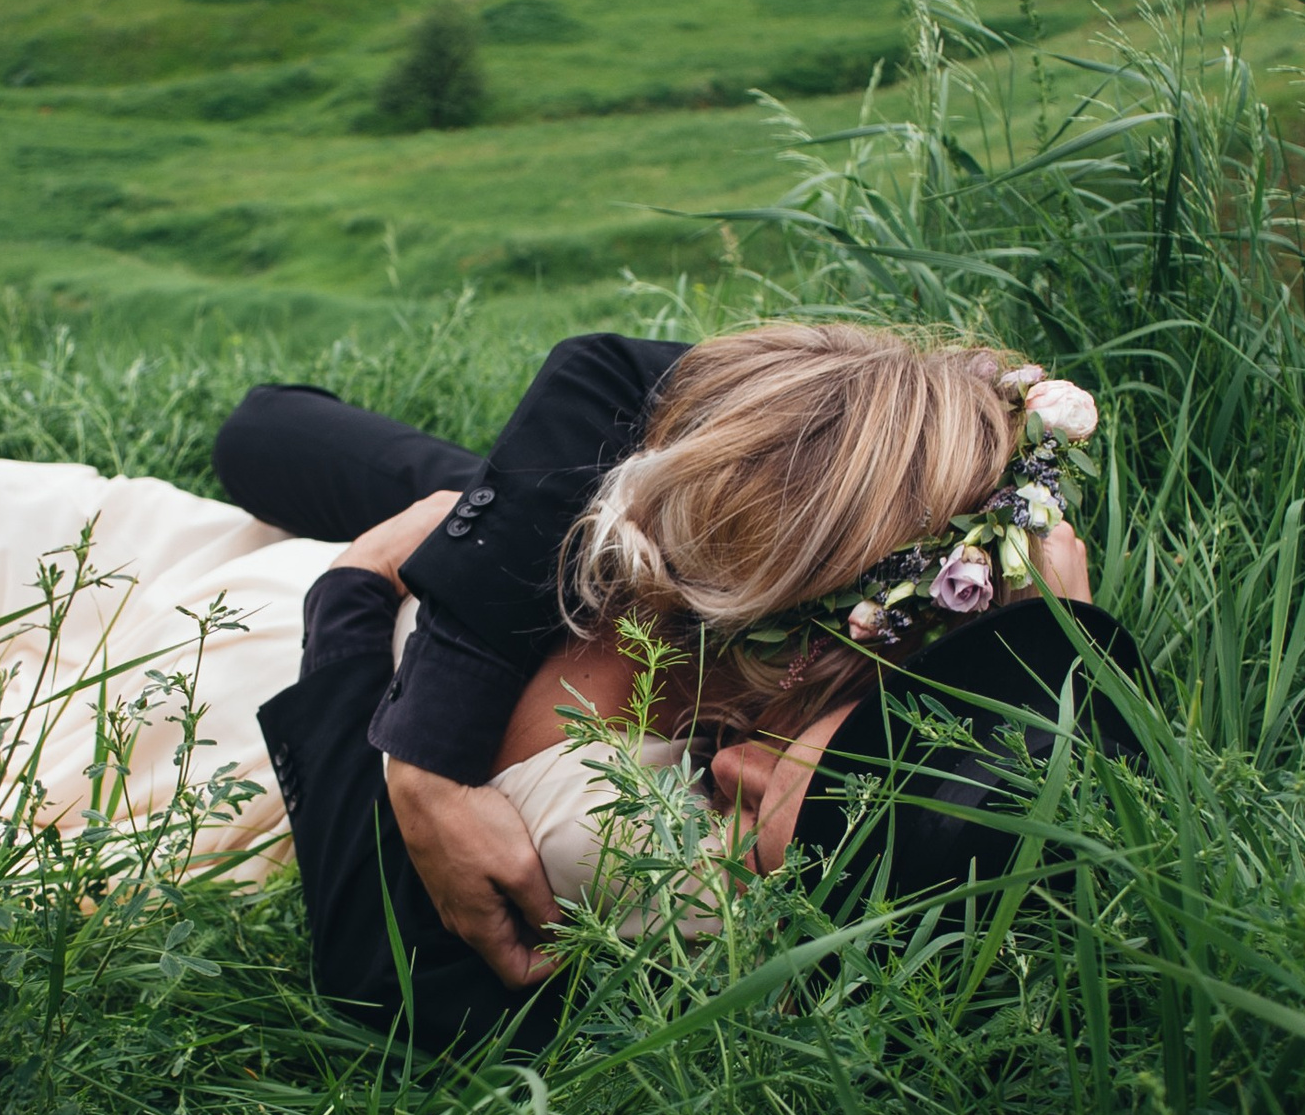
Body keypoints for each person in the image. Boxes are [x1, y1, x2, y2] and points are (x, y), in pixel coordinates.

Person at [228, 323, 1133, 1050]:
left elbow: (383, 981)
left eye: (796, 810)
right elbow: (607, 372)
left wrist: (350, 594)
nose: (739, 770)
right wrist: (1057, 632)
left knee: (275, 472)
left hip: (543, 568)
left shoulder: (703, 871)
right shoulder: (917, 578)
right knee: (262, 434)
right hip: (566, 538)